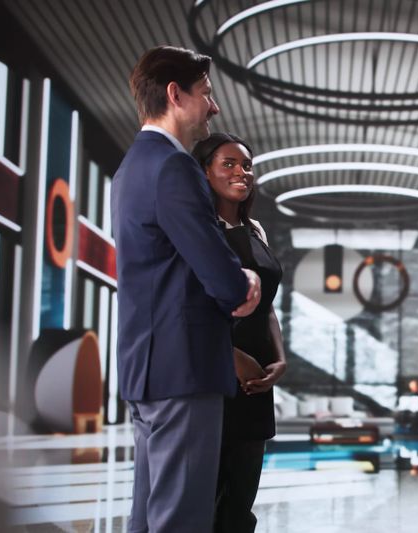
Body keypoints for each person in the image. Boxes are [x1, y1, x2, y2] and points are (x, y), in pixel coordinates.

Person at [111, 46, 261, 532]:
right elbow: (220, 276)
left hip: (147, 369)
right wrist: (246, 282)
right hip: (185, 369)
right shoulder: (175, 168)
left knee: (148, 515)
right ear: (176, 95)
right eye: (207, 95)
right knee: (181, 520)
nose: (214, 107)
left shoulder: (130, 167)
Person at [191, 133, 287, 533]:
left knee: (242, 499)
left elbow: (265, 308)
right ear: (205, 170)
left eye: (246, 165)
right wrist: (232, 357)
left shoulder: (256, 229)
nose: (241, 172)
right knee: (206, 497)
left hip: (259, 380)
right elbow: (191, 304)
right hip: (212, 371)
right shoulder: (198, 228)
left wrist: (280, 359)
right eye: (228, 163)